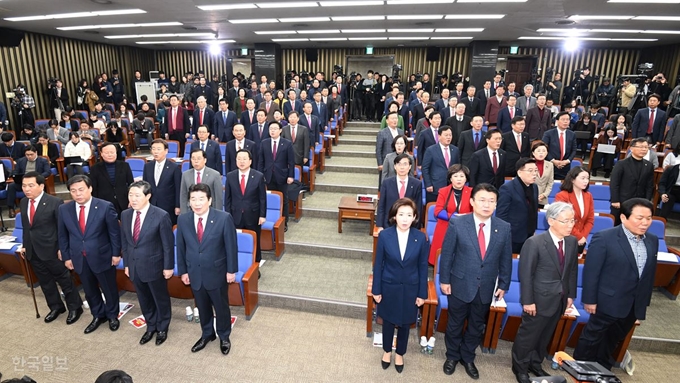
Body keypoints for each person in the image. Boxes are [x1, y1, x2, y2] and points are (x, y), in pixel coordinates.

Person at [573, 198, 657, 370]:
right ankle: (580, 368)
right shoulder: (604, 238)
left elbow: (648, 273)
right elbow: (591, 272)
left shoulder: (652, 240)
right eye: (640, 218)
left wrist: (644, 301)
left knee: (614, 338)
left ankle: (602, 368)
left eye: (648, 218)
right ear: (624, 218)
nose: (645, 222)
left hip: (634, 303)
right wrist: (589, 300)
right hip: (607, 300)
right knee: (593, 336)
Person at [440, 183, 512, 380]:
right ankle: (452, 356)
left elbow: (505, 259)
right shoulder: (458, 223)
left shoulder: (503, 228)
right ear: (472, 202)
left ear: (496, 204)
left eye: (491, 201)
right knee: (455, 323)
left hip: (486, 286)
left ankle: (468, 357)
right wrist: (444, 280)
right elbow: (447, 255)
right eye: (482, 200)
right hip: (460, 283)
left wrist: (504, 284)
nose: (486, 205)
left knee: (476, 325)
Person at [511, 202, 579, 383]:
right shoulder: (535, 243)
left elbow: (572, 270)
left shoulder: (571, 242)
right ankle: (520, 367)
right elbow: (526, 275)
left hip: (560, 299)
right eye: (566, 221)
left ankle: (535, 363)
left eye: (572, 221)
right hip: (538, 299)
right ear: (551, 221)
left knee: (545, 335)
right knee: (529, 335)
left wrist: (571, 295)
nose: (570, 225)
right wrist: (528, 301)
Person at [176, 184, 238, 355]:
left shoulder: (223, 218)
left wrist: (231, 271)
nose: (197, 203)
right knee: (202, 307)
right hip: (194, 272)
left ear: (209, 200)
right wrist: (183, 271)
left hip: (217, 272)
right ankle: (207, 333)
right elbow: (180, 248)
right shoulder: (183, 220)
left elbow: (231, 247)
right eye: (193, 199)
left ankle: (224, 335)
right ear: (189, 202)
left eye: (201, 199)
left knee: (221, 307)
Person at [57, 175, 121, 334]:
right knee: (89, 290)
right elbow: (62, 235)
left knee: (109, 288)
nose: (78, 194)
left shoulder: (105, 206)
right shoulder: (64, 209)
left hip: (103, 256)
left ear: (90, 188)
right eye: (73, 191)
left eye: (81, 189)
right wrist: (66, 256)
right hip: (79, 257)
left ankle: (112, 315)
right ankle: (98, 315)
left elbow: (114, 233)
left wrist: (116, 253)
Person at [19, 171, 83, 324]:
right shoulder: (23, 202)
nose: (26, 189)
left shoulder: (55, 202)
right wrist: (24, 244)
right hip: (33, 250)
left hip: (52, 250)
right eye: (24, 186)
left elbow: (62, 229)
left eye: (30, 185)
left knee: (64, 280)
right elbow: (27, 227)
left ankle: (75, 307)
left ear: (41, 186)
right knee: (45, 281)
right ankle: (56, 306)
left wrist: (63, 249)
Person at [372, 198, 428, 374]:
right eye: (401, 214)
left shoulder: (420, 237)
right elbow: (378, 264)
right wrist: (376, 289)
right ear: (394, 216)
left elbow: (423, 267)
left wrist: (422, 293)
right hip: (389, 286)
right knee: (387, 321)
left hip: (411, 288)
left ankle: (400, 354)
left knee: (405, 324)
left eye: (409, 215)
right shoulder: (385, 235)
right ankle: (387, 351)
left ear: (415, 218)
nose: (405, 219)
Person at [121, 181, 174, 346]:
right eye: (131, 195)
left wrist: (168, 266)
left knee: (160, 298)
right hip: (135, 266)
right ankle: (151, 326)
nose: (133, 199)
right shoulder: (125, 214)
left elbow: (167, 245)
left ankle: (163, 327)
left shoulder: (161, 215)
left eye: (137, 195)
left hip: (155, 265)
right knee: (144, 298)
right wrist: (127, 264)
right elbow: (126, 243)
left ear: (148, 196)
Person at [225, 149, 267, 264]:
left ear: (250, 161)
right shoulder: (230, 176)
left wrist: (262, 215)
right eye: (239, 159)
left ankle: (256, 265)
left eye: (244, 159)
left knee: (254, 241)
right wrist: (228, 215)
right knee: (235, 241)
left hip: (253, 215)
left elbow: (262, 198)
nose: (241, 161)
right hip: (235, 215)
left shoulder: (258, 176)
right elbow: (227, 198)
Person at [428, 164, 472, 265]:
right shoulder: (443, 191)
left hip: (466, 228)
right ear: (450, 178)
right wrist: (454, 217)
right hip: (445, 227)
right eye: (455, 176)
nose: (459, 179)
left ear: (466, 179)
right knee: (442, 260)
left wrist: (464, 218)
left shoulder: (472, 192)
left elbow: (475, 212)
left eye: (462, 176)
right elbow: (438, 211)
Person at [496, 158, 539, 254]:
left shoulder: (535, 187)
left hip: (529, 234)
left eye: (536, 170)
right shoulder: (507, 188)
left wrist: (533, 230)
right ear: (519, 172)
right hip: (513, 235)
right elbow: (501, 215)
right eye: (530, 171)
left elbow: (533, 210)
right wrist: (505, 235)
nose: (534, 173)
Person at [257, 121, 295, 229]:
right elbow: (261, 161)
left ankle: (284, 222)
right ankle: (269, 219)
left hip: (282, 176)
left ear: (280, 130)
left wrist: (291, 176)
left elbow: (291, 162)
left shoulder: (287, 143)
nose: (272, 131)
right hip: (268, 176)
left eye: (275, 129)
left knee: (284, 199)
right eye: (270, 129)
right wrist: (260, 175)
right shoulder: (264, 143)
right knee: (267, 198)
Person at [609, 138, 654, 225]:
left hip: (639, 202)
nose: (644, 149)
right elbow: (614, 183)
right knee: (618, 226)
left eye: (646, 147)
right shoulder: (621, 164)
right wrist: (615, 200)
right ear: (631, 148)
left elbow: (649, 185)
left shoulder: (649, 165)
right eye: (641, 147)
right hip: (622, 201)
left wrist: (647, 201)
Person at [376, 153, 422, 230]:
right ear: (394, 166)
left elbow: (418, 208)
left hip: (409, 225)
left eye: (405, 164)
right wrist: (380, 226)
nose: (402, 167)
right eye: (399, 164)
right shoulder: (387, 183)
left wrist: (416, 227)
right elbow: (381, 206)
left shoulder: (417, 184)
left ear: (410, 166)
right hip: (389, 224)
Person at [555, 166, 595, 254]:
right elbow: (564, 221)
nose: (586, 181)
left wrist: (583, 237)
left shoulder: (588, 196)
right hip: (565, 237)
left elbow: (590, 219)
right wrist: (579, 236)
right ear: (573, 179)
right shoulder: (562, 196)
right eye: (583, 178)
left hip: (581, 240)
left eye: (587, 178)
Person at [142, 139, 182, 225]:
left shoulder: (174, 168)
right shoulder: (147, 166)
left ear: (166, 151)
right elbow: (145, 186)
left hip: (168, 205)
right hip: (151, 204)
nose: (155, 152)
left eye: (159, 149)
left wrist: (178, 206)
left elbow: (178, 188)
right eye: (153, 149)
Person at [89, 143, 134, 217]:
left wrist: (131, 200)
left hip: (124, 201)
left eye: (112, 152)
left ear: (116, 152)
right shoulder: (95, 168)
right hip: (104, 203)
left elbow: (131, 184)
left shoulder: (125, 165)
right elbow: (94, 189)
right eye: (107, 153)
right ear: (102, 154)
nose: (110, 155)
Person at [6, 145, 51, 218]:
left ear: (36, 153)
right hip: (23, 182)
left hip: (36, 182)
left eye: (31, 154)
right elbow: (16, 172)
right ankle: (11, 208)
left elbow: (47, 172)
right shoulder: (21, 161)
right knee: (11, 186)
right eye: (27, 155)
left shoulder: (43, 160)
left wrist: (37, 177)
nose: (29, 156)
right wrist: (16, 176)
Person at [422, 126, 461, 203]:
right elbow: (425, 168)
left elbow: (458, 167)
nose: (449, 137)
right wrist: (428, 184)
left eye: (450, 135)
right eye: (446, 135)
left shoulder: (455, 150)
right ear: (439, 136)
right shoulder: (431, 150)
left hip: (451, 186)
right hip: (435, 186)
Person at [180, 148, 223, 214]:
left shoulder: (215, 175)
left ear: (205, 160)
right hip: (191, 212)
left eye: (199, 158)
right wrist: (183, 214)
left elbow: (218, 198)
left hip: (209, 212)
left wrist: (217, 215)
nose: (196, 161)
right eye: (193, 159)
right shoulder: (186, 175)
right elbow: (183, 196)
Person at [543, 111, 577, 180]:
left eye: (567, 120)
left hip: (565, 166)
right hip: (550, 165)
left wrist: (567, 161)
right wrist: (553, 161)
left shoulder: (572, 134)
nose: (565, 122)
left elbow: (574, 150)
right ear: (557, 121)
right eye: (563, 119)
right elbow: (544, 149)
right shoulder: (548, 134)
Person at [530, 140, 554, 207]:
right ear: (533, 153)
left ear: (547, 153)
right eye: (538, 151)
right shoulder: (528, 164)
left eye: (543, 151)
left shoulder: (550, 165)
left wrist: (544, 194)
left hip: (542, 199)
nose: (541, 153)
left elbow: (550, 183)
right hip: (529, 197)